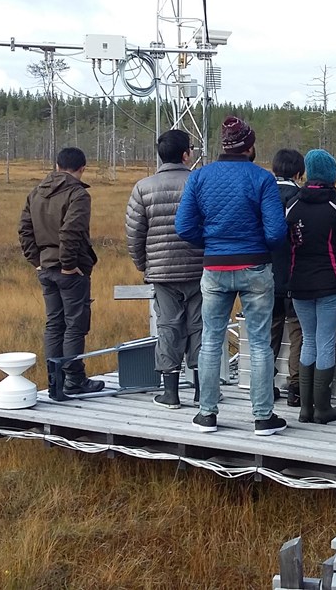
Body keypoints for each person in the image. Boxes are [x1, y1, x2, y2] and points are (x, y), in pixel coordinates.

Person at [175, 116, 288, 436]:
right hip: (255, 267)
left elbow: (183, 227)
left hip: (215, 268)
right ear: (250, 147)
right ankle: (263, 417)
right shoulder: (262, 178)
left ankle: (207, 414)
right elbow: (277, 232)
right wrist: (257, 246)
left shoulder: (200, 177)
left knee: (211, 339)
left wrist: (211, 244)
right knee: (261, 343)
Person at [125, 129, 204, 409]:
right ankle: (201, 392)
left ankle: (170, 394)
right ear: (186, 154)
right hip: (199, 269)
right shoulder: (200, 182)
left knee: (168, 327)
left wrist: (143, 265)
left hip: (162, 271)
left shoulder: (143, 187)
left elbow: (134, 234)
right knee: (200, 327)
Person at [18, 146, 104, 395]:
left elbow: (24, 230)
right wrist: (68, 266)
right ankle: (74, 380)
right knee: (74, 326)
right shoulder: (78, 195)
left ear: (57, 166)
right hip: (69, 271)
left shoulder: (35, 193)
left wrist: (37, 260)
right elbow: (70, 231)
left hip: (46, 268)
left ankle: (55, 382)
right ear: (82, 168)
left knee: (54, 325)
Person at [286, 149, 336, 424]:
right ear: (332, 174)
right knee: (325, 341)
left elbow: (285, 239)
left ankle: (306, 409)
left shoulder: (293, 204)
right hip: (331, 280)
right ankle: (323, 408)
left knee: (309, 340)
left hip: (299, 282)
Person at [270, 148, 305, 406]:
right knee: (297, 334)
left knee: (267, 334)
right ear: (299, 173)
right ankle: (296, 389)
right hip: (295, 277)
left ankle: (264, 385)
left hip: (266, 277)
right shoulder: (299, 197)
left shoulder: (264, 194)